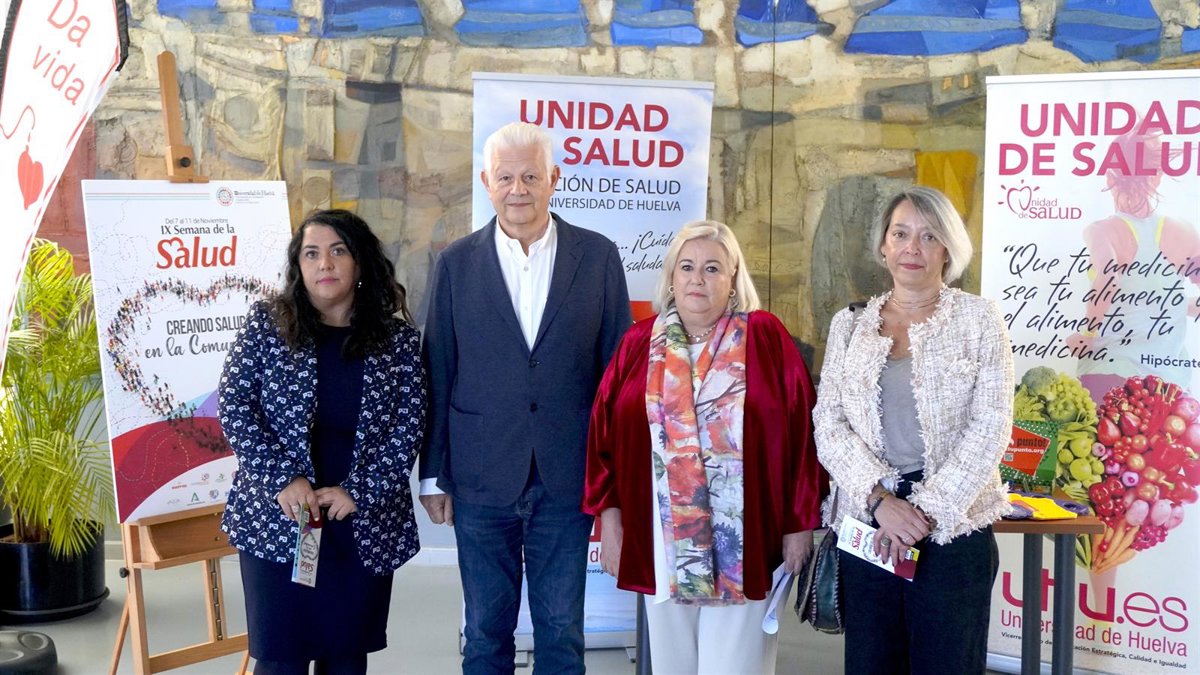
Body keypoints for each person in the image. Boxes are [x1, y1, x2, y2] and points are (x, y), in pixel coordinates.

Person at [419, 121, 631, 674]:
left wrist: (613, 483)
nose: (518, 189)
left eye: (531, 177)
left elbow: (617, 379)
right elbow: (438, 370)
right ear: (487, 182)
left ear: (554, 178)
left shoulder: (598, 257)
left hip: (568, 476)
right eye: (506, 177)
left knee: (561, 633)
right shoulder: (455, 264)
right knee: (485, 633)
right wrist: (432, 474)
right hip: (480, 475)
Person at [583, 220, 827, 674]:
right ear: (671, 277)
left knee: (733, 666)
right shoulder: (639, 342)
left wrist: (800, 526)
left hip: (747, 541)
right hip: (661, 538)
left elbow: (804, 435)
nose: (698, 278)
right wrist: (610, 521)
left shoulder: (765, 337)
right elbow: (603, 437)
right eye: (687, 267)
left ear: (733, 278)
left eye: (712, 268)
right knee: (671, 666)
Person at [813, 186, 1014, 674]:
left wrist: (923, 513)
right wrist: (881, 502)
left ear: (948, 250)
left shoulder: (980, 320)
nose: (912, 248)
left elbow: (991, 425)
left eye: (929, 236)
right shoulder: (850, 324)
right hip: (870, 523)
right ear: (883, 246)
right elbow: (828, 422)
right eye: (900, 234)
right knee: (871, 664)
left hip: (953, 528)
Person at [219, 209, 427, 675]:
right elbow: (235, 406)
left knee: (345, 658)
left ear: (360, 262)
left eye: (338, 251)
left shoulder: (397, 341)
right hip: (281, 516)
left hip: (358, 521)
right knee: (281, 659)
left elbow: (408, 426)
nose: (325, 264)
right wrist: (283, 478)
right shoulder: (267, 325)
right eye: (311, 254)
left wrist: (359, 491)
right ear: (299, 265)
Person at [1071, 129, 1200, 401]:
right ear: (1158, 177)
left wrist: (1088, 335)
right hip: (1170, 385)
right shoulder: (1186, 232)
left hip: (1111, 374)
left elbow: (1108, 278)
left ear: (1109, 177)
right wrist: (1176, 304)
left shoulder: (1102, 231)